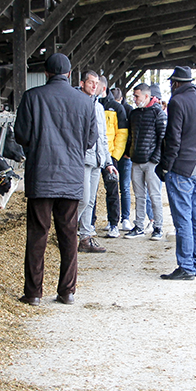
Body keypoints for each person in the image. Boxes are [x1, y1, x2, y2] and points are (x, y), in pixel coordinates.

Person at [10, 53, 97, 304]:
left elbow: (21, 135)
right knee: (69, 234)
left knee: (38, 234)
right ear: (70, 75)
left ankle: (33, 293)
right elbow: (90, 140)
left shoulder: (32, 97)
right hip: (71, 176)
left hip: (41, 175)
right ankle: (67, 291)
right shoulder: (84, 102)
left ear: (46, 73)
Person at [159, 67, 196, 280]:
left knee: (183, 219)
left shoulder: (177, 102)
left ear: (175, 83)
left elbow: (173, 139)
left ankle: (186, 267)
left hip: (180, 167)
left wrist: (166, 165)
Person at [74, 72, 116, 254]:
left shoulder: (99, 107)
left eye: (96, 83)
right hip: (82, 158)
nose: (94, 86)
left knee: (90, 201)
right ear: (82, 83)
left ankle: (85, 238)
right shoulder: (75, 103)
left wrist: (108, 161)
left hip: (97, 159)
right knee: (82, 199)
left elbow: (103, 137)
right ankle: (65, 231)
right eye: (91, 82)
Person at [125, 85, 168, 241]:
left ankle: (158, 227)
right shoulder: (134, 114)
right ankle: (139, 226)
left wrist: (156, 159)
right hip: (135, 160)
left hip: (151, 162)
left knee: (155, 195)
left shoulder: (159, 113)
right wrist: (128, 152)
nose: (134, 99)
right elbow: (131, 135)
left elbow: (162, 138)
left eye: (137, 96)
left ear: (146, 96)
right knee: (139, 195)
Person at [99, 86, 132, 238]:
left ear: (102, 87)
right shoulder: (92, 104)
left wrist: (115, 157)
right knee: (90, 192)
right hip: (93, 154)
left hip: (110, 155)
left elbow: (122, 134)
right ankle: (89, 223)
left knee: (113, 189)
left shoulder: (117, 108)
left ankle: (114, 223)